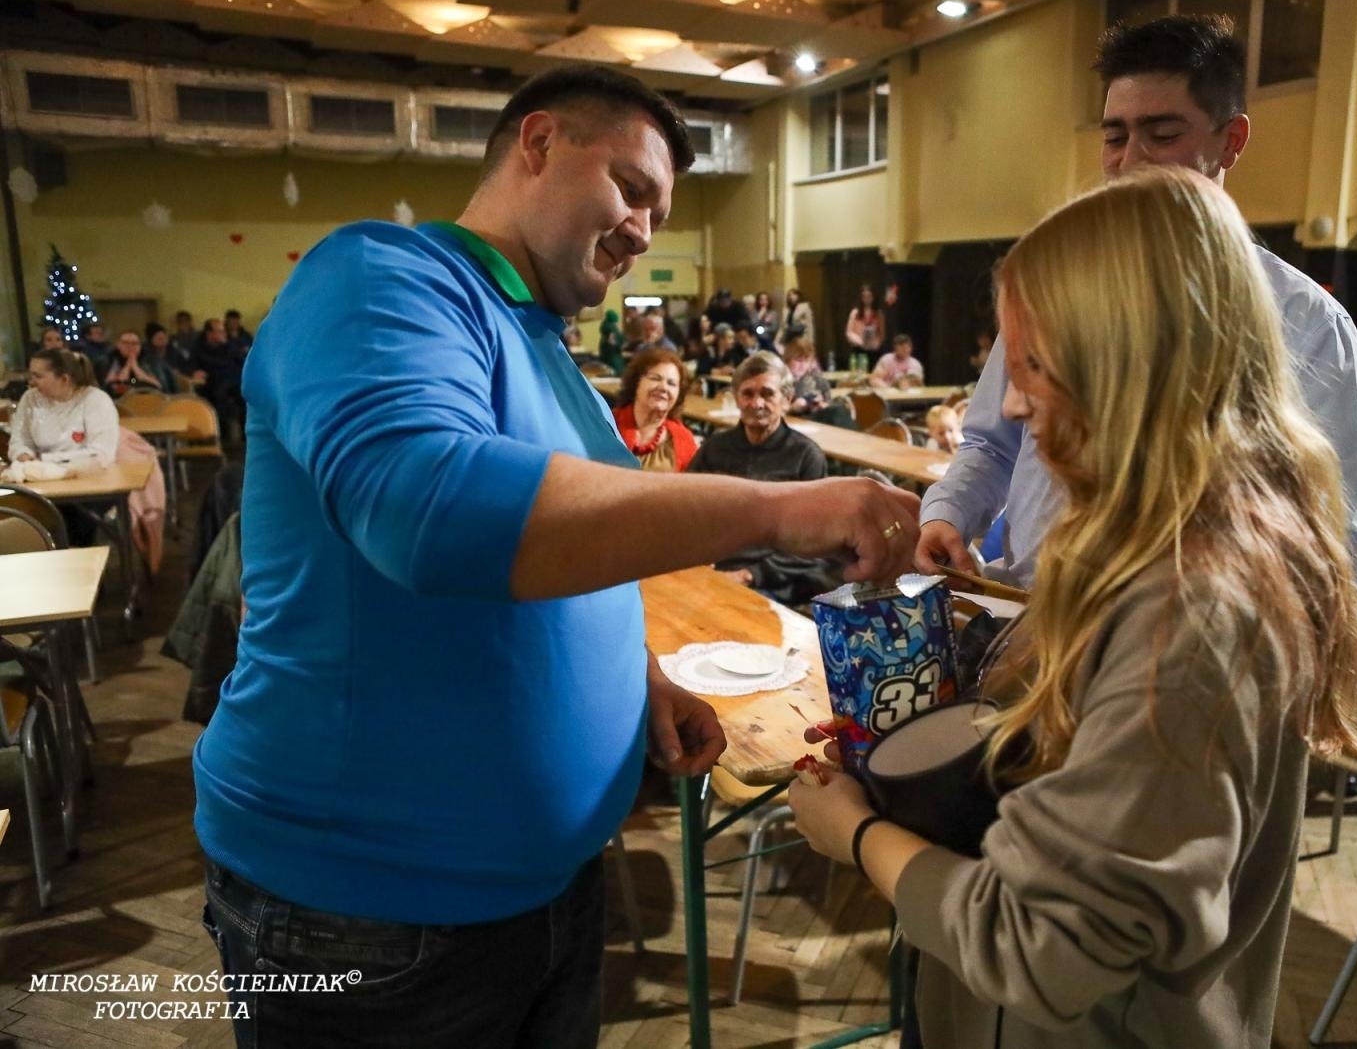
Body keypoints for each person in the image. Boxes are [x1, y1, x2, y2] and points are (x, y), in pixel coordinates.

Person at [193, 65, 920, 1048]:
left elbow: (567, 556)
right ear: (536, 144)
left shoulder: (543, 350)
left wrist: (639, 677)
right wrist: (776, 510)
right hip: (367, 913)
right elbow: (431, 509)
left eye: (661, 211)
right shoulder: (381, 277)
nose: (643, 229)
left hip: (546, 889)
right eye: (630, 188)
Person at [788, 167, 1357, 1049]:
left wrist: (859, 834)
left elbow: (1043, 948)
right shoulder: (1147, 545)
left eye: (1031, 363)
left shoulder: (1192, 608)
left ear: (1128, 363)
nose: (1015, 403)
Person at [917, 15, 1357, 588]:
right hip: (1029, 621)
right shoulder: (1057, 286)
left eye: (1162, 135)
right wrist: (949, 515)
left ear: (1230, 141)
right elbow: (992, 440)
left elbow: (1340, 543)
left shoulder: (1306, 323)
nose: (1130, 160)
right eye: (1114, 137)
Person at [688, 351, 833, 602]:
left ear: (786, 399)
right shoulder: (714, 448)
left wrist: (748, 575)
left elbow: (814, 542)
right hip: (712, 570)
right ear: (736, 399)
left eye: (767, 394)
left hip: (774, 580)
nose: (756, 404)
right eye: (747, 394)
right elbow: (687, 508)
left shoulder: (806, 456)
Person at [4, 349, 119, 543]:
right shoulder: (30, 399)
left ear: (64, 379)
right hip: (41, 483)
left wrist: (46, 461)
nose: (31, 382)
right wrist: (23, 454)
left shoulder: (96, 400)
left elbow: (101, 454)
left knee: (72, 518)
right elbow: (19, 440)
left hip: (88, 484)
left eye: (38, 376)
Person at [612, 347, 698, 472]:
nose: (663, 387)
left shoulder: (684, 439)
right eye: (655, 378)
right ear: (636, 383)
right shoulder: (608, 425)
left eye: (671, 384)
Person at [190, 317, 247, 441]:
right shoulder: (198, 347)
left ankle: (245, 438)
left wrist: (227, 345)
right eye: (219, 331)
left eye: (223, 331)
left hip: (233, 381)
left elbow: (242, 362)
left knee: (246, 396)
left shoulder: (230, 345)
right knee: (219, 396)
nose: (223, 334)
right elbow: (193, 366)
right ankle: (221, 437)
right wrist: (195, 372)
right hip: (212, 383)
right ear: (209, 333)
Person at [103, 329, 176, 398]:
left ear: (140, 346)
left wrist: (135, 368)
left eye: (134, 343)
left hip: (150, 400)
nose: (130, 346)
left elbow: (159, 386)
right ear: (118, 345)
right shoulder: (109, 360)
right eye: (125, 343)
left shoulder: (151, 360)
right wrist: (128, 366)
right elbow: (111, 387)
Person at [783, 337, 831, 415]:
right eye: (798, 360)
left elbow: (828, 405)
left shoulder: (820, 382)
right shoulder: (780, 383)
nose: (802, 365)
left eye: (806, 361)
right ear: (788, 360)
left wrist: (822, 406)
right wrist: (792, 409)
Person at [844, 285, 882, 352]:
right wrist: (860, 342)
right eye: (864, 296)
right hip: (858, 347)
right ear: (861, 298)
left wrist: (876, 343)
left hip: (873, 349)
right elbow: (848, 332)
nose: (866, 299)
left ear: (873, 297)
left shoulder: (878, 314)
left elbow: (880, 334)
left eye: (869, 296)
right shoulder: (855, 313)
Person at [598, 307, 626, 373]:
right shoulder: (611, 328)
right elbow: (611, 341)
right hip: (613, 354)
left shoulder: (605, 325)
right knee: (615, 372)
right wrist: (618, 346)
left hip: (606, 352)